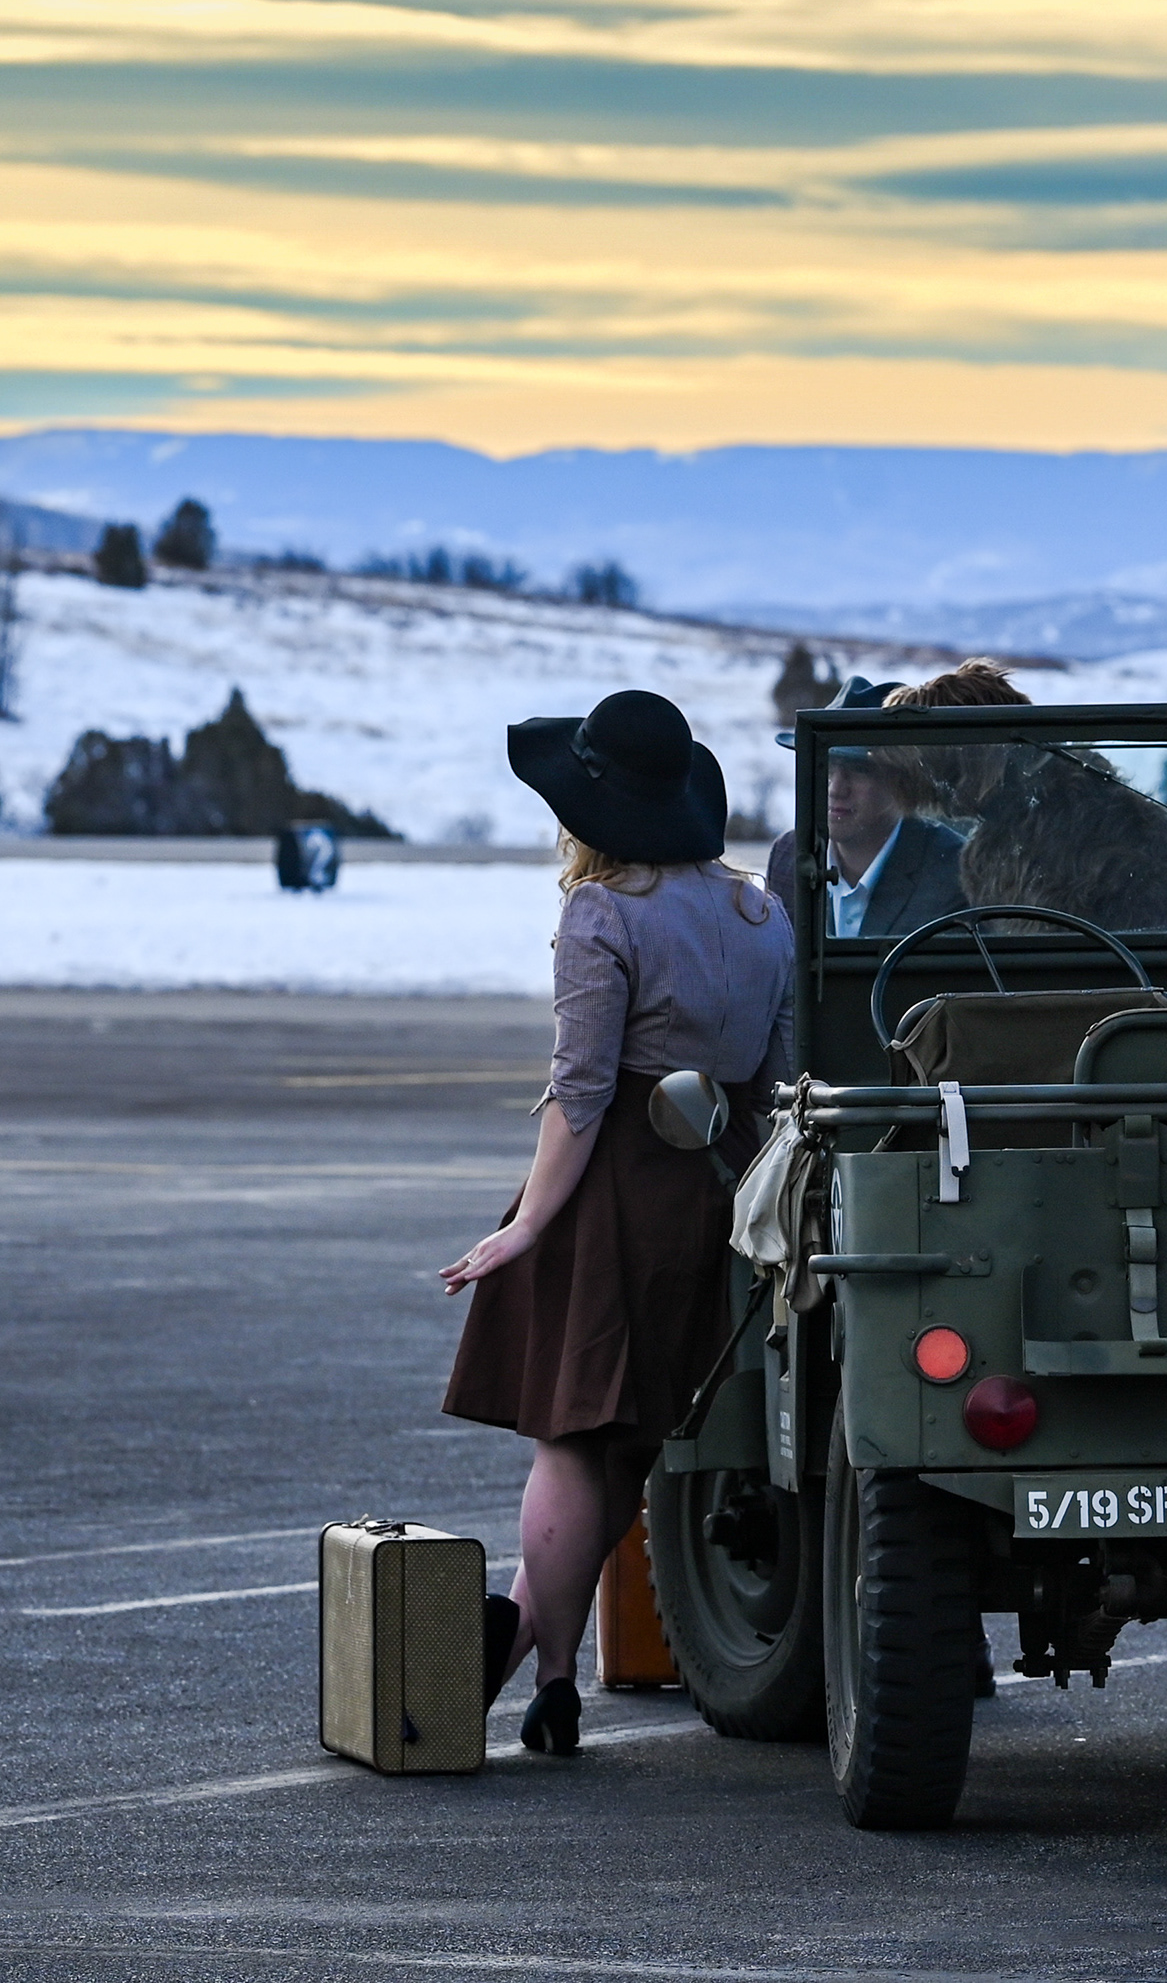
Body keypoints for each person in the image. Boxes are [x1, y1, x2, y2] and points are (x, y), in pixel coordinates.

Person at [437, 688, 788, 1757]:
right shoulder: (759, 911)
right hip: (723, 1188)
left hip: (614, 1188)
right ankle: (536, 1675)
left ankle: (545, 1673)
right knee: (627, 1448)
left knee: (567, 1438)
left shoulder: (603, 914)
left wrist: (528, 1225)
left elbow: (580, 1093)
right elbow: (773, 1082)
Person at [883, 658, 1167, 931]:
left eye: (926, 763)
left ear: (972, 758)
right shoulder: (1083, 798)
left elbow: (1032, 974)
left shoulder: (1038, 838)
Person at [764, 676, 969, 942]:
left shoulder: (952, 872)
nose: (836, 788)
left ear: (902, 779)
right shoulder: (789, 856)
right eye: (825, 766)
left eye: (859, 770)